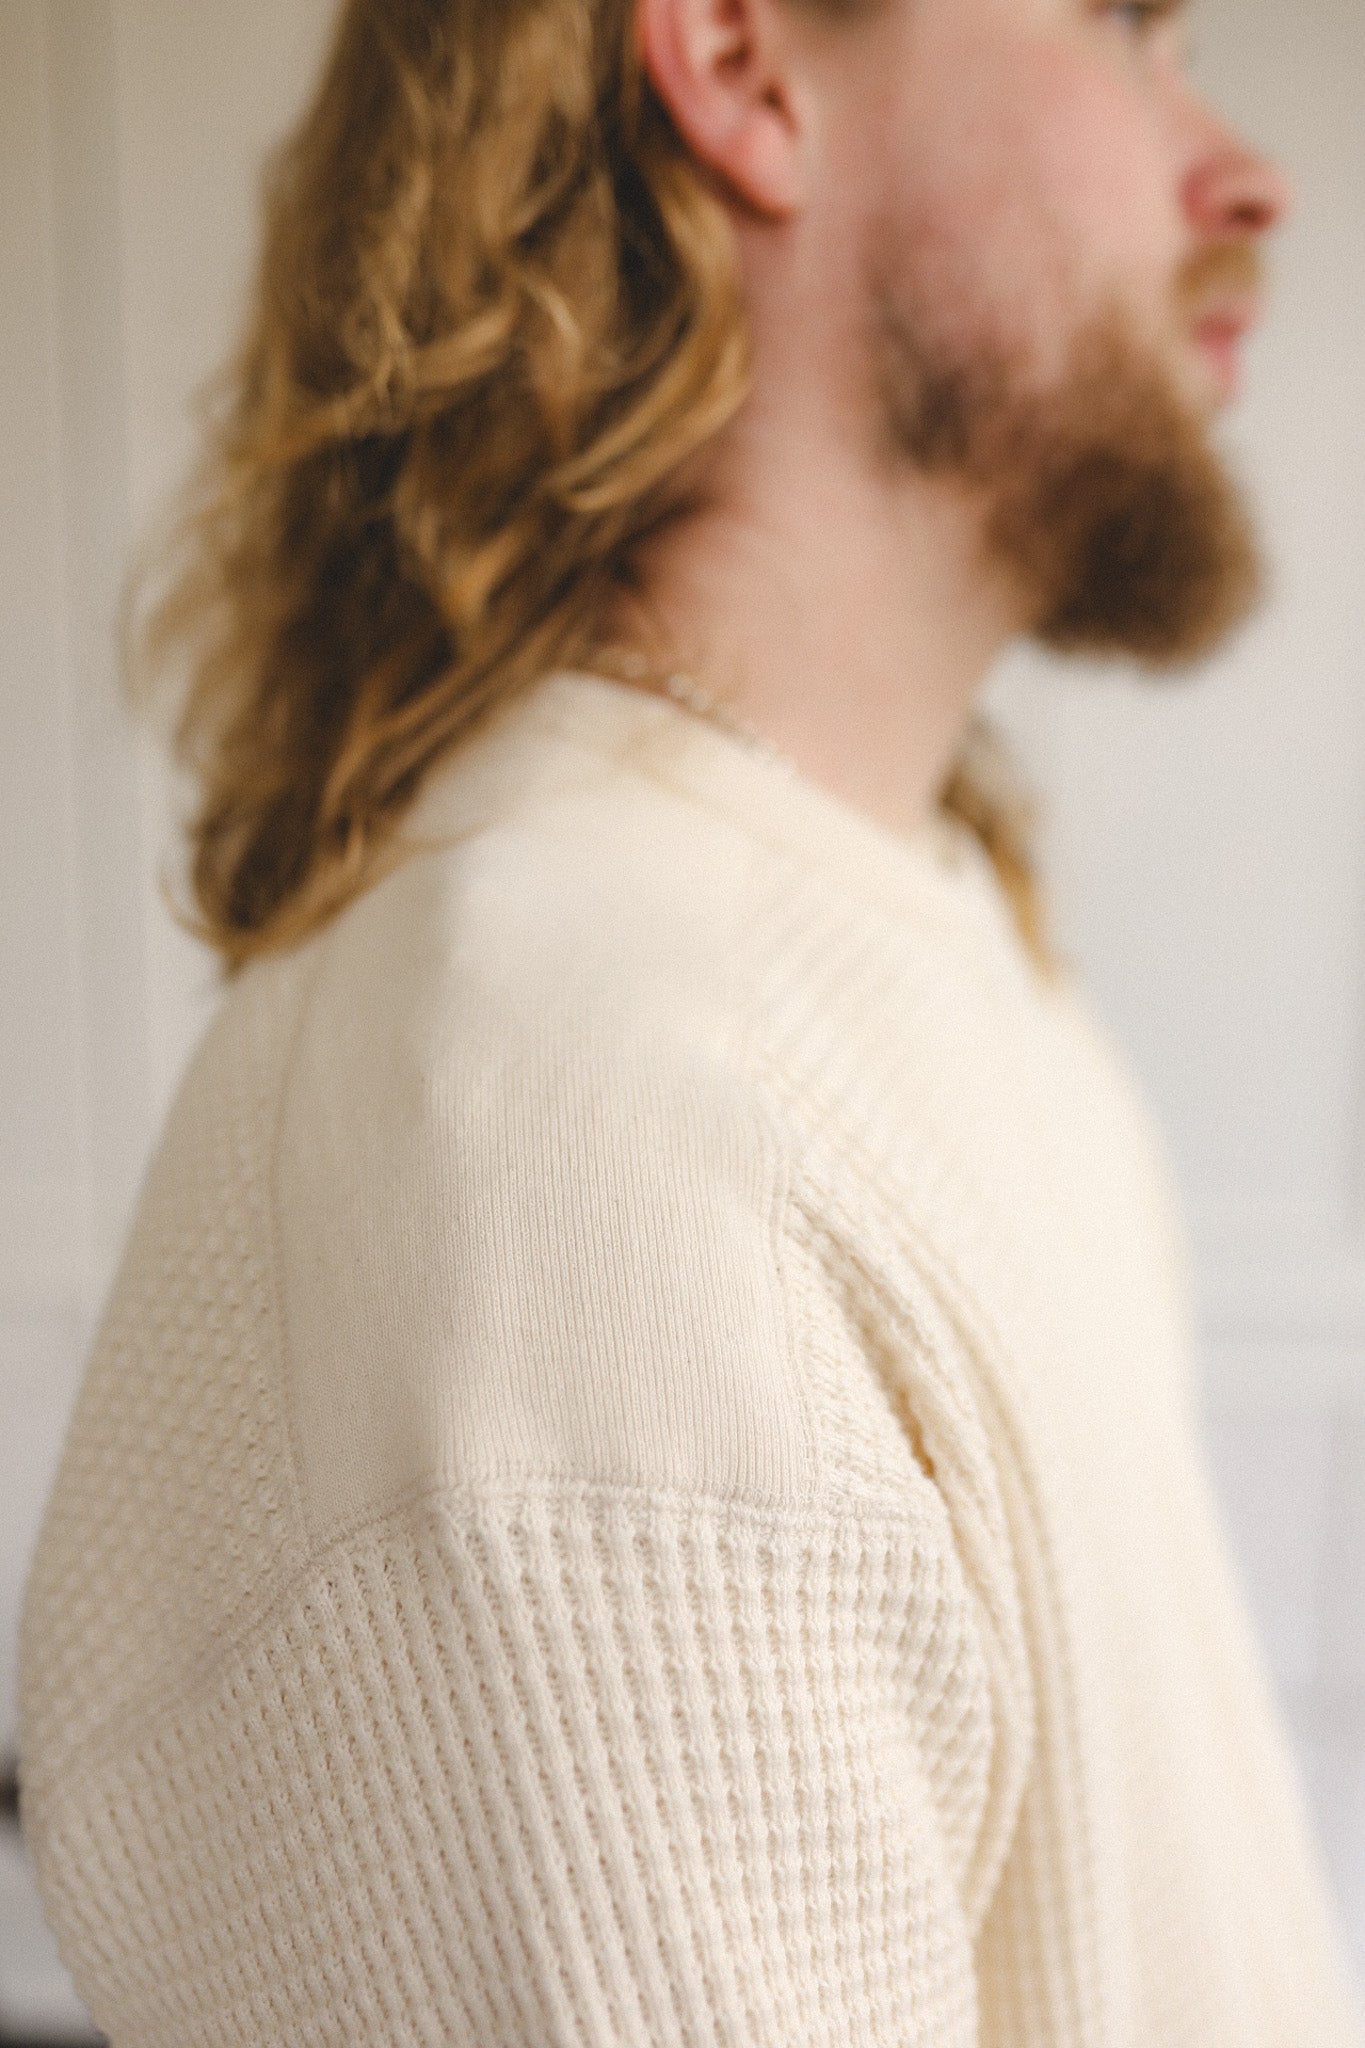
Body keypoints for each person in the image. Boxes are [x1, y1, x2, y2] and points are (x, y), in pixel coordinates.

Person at [17, 0, 1365, 2040]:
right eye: (1119, 25)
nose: (1239, 171)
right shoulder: (576, 1092)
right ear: (738, 65)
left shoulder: (944, 978)